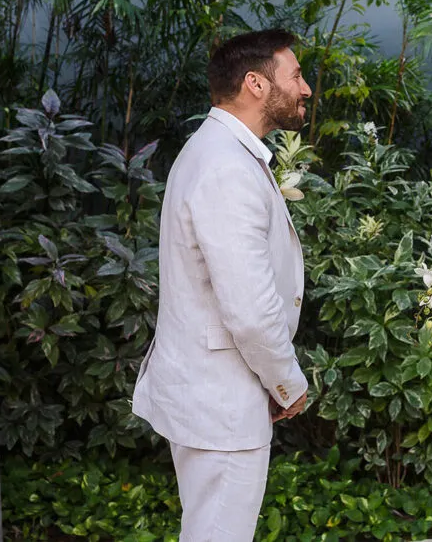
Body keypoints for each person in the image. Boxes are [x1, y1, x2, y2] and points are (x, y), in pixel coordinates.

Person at [131, 28, 313, 541]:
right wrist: (287, 384)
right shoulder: (227, 167)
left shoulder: (216, 150)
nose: (306, 88)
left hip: (210, 393)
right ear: (256, 84)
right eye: (295, 75)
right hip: (221, 400)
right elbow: (251, 311)